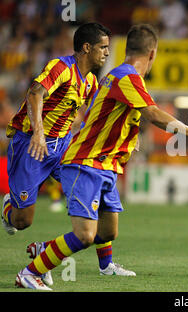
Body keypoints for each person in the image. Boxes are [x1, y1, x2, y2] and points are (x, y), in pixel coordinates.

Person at [15, 23, 188, 290]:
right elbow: (153, 114)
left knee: (108, 231)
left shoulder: (120, 77)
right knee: (85, 236)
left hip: (106, 163)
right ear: (153, 53)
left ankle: (94, 263)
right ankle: (30, 272)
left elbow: (109, 116)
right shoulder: (127, 78)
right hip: (86, 162)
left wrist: (129, 141)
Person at [2, 23, 135, 286]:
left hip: (63, 147)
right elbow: (34, 94)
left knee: (93, 187)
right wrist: (39, 133)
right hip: (31, 144)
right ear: (86, 48)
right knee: (22, 221)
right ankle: (9, 207)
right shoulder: (60, 67)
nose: (107, 53)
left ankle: (106, 264)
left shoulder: (91, 81)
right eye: (103, 47)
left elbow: (101, 112)